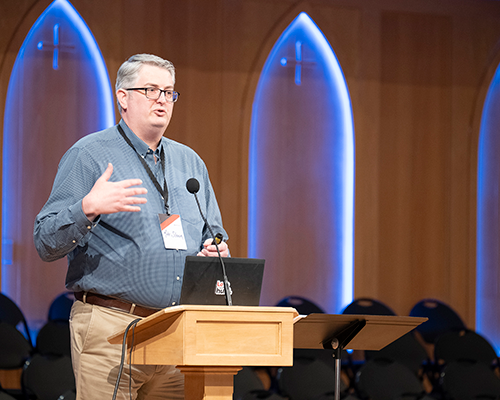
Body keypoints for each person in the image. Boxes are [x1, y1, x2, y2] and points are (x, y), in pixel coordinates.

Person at [34, 53, 229, 400]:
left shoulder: (189, 162)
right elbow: (45, 240)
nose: (162, 100)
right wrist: (87, 208)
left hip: (174, 332)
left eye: (169, 92)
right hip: (111, 328)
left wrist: (215, 249)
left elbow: (212, 233)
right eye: (151, 90)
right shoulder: (89, 154)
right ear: (122, 97)